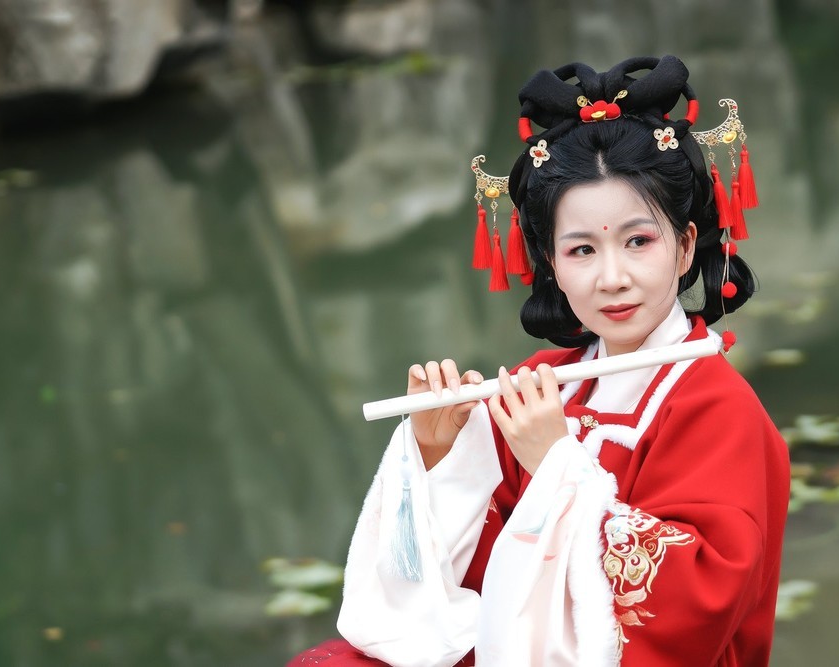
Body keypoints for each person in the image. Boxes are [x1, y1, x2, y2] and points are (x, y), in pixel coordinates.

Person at [288, 55, 790, 667]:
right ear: (550, 262)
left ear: (685, 247)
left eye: (638, 241)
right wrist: (442, 458)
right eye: (582, 250)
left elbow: (699, 602)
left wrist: (557, 468)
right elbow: (481, 581)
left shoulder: (718, 408)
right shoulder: (543, 383)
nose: (612, 277)